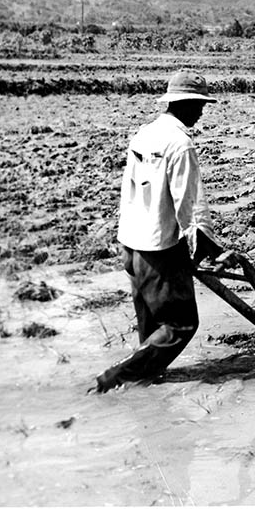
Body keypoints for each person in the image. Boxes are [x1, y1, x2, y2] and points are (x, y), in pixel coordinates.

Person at [95, 70, 237, 392]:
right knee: (181, 324)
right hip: (158, 249)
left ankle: (144, 388)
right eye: (198, 105)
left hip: (130, 244)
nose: (201, 112)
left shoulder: (144, 133)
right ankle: (116, 377)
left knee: (150, 328)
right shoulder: (180, 143)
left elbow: (130, 188)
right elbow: (190, 205)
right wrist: (209, 249)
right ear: (184, 104)